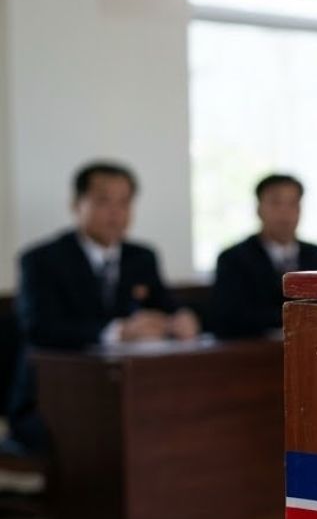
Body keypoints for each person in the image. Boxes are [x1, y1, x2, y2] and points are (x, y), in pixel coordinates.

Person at [6, 162, 199, 454]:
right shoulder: (42, 260)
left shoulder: (141, 256)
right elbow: (39, 327)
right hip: (51, 400)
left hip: (125, 394)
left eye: (124, 203)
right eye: (103, 201)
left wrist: (183, 318)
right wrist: (118, 331)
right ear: (76, 204)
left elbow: (166, 304)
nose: (115, 212)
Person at [211, 175, 317, 339]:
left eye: (293, 204)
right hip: (255, 353)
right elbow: (229, 317)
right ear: (259, 209)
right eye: (276, 203)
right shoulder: (234, 258)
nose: (285, 212)